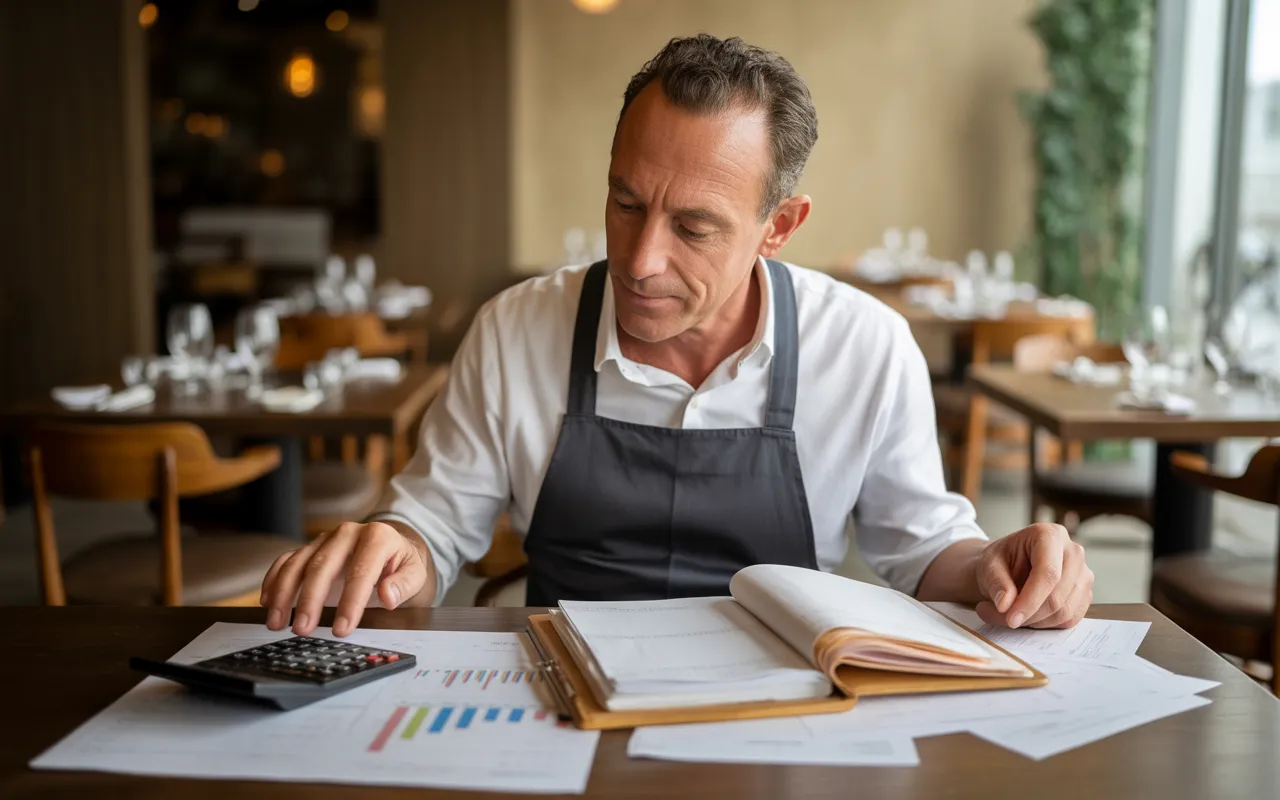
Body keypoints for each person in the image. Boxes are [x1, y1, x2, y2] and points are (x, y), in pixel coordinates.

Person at [261, 34, 1093, 638]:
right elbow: (436, 527)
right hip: (560, 709)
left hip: (783, 716)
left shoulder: (867, 348)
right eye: (626, 203)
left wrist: (997, 564)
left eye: (694, 227)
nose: (641, 259)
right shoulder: (516, 330)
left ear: (781, 226)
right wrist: (394, 543)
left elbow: (922, 552)